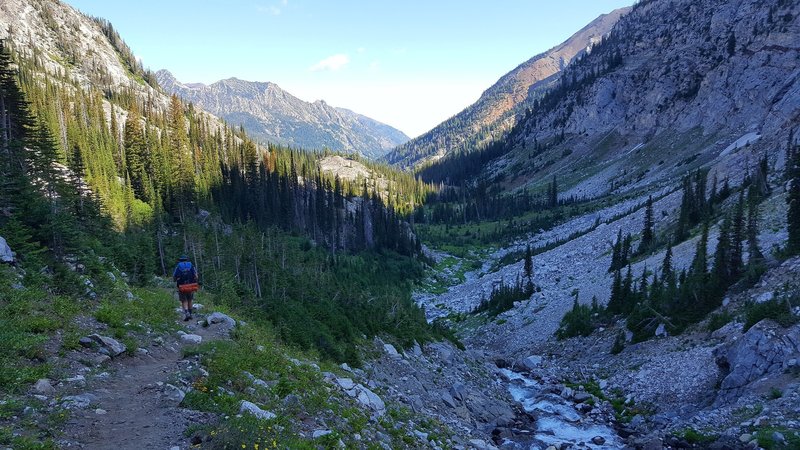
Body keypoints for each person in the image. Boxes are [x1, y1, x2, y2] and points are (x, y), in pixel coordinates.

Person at [173, 255, 198, 321]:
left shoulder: (178, 266)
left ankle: (187, 313)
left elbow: (174, 276)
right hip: (191, 285)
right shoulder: (191, 265)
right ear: (186, 260)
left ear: (180, 260)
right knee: (190, 299)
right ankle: (190, 314)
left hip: (182, 286)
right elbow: (196, 276)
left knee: (184, 300)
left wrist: (175, 280)